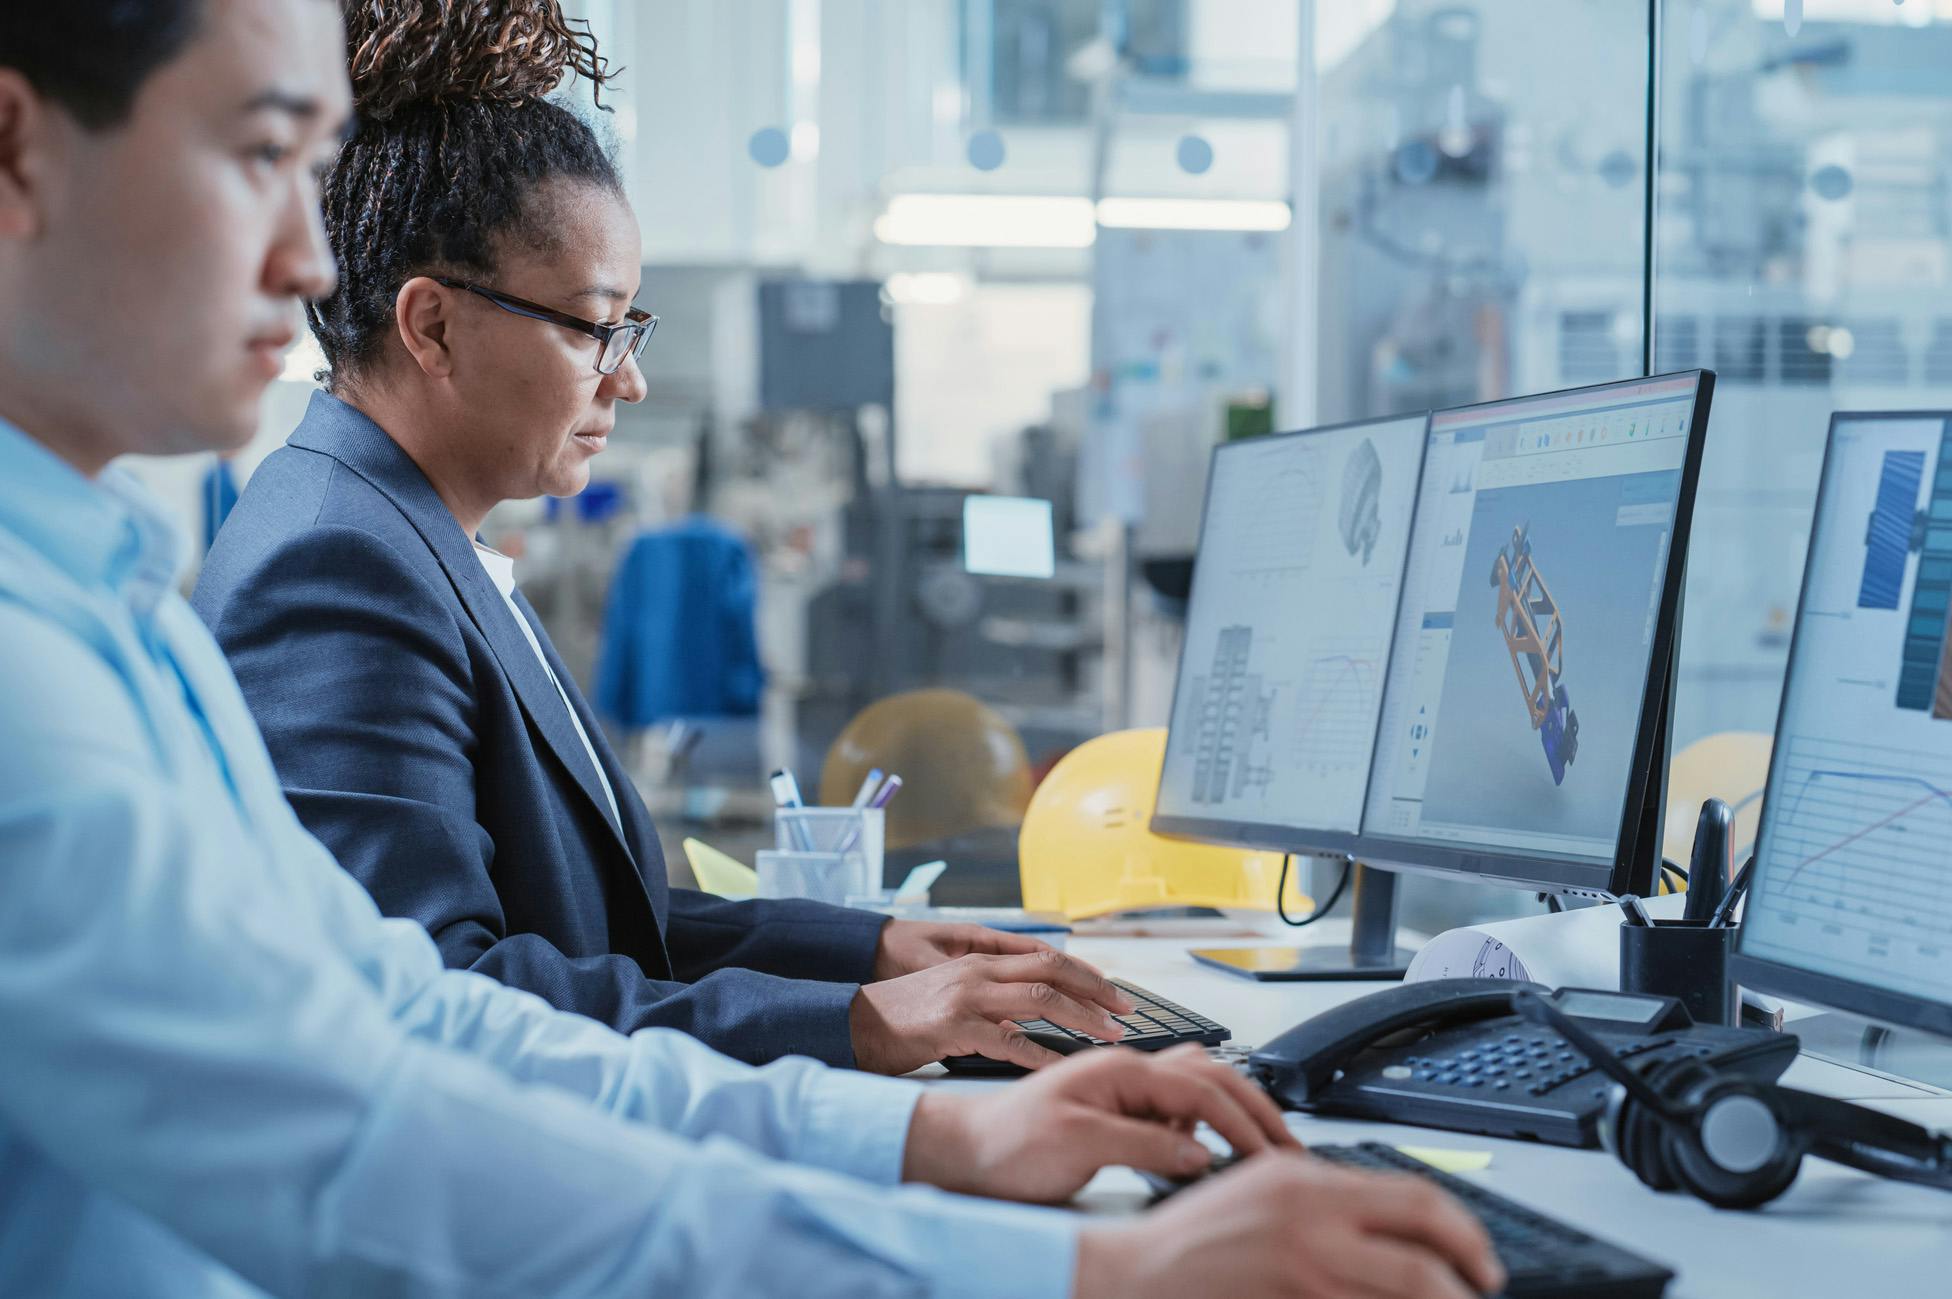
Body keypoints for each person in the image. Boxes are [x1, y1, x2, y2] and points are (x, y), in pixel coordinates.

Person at [0, 2, 1509, 1296]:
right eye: (259, 157)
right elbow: (375, 1134)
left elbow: (416, 1018)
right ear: (18, 151)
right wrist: (1072, 1261)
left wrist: (930, 1120)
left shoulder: (126, 606)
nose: (301, 258)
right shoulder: (149, 627)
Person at [193, 0, 1112, 1076]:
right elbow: (443, 999)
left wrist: (873, 953)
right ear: (432, 325)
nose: (626, 378)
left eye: (630, 326)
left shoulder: (408, 534)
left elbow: (593, 922)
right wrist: (863, 1024)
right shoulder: (336, 566)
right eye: (595, 326)